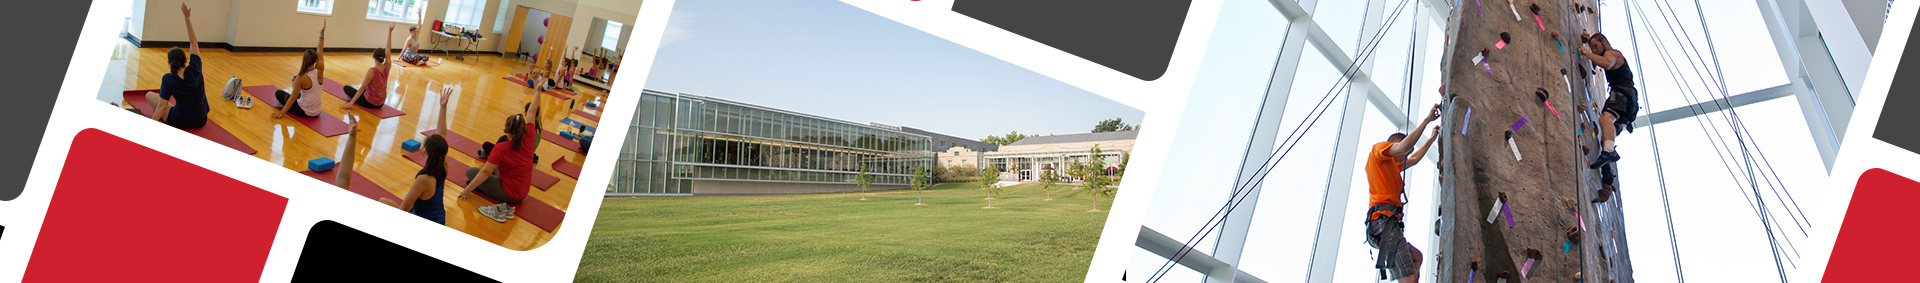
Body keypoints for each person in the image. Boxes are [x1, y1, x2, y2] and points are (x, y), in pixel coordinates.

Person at [1363, 104, 1441, 283]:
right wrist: (1427, 120)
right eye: (1404, 153)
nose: (1405, 158)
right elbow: (1403, 148)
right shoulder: (1379, 151)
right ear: (1396, 144)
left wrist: (1431, 139)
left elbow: (1414, 158)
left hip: (1389, 224)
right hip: (1382, 223)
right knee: (1411, 279)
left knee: (1417, 258)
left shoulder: (1393, 166)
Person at [458, 80, 547, 223]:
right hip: (523, 190)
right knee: (493, 168)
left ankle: (482, 186)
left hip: (511, 195)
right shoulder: (529, 135)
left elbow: (485, 172)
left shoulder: (501, 148)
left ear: (507, 131)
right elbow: (532, 111)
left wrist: (467, 190)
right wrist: (537, 91)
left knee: (471, 172)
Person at [369, 85, 458, 225]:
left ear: (427, 152)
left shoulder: (424, 179)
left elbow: (403, 210)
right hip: (440, 220)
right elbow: (441, 134)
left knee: (382, 202)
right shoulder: (443, 165)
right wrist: (442, 107)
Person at [1579, 31, 1634, 202]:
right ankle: (1607, 184)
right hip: (1629, 106)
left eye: (1596, 46)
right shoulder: (1606, 51)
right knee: (1606, 136)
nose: (1595, 50)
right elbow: (1599, 51)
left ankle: (1610, 152)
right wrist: (1589, 41)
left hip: (1622, 93)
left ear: (1604, 41)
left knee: (1605, 119)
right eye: (1593, 48)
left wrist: (1586, 53)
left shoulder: (1613, 54)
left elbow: (1607, 63)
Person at [145, 3, 209, 130]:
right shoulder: (196, 69)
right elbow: (193, 41)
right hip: (201, 120)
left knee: (149, 96)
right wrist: (187, 17)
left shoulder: (168, 79)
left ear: (169, 63)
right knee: (168, 103)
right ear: (186, 60)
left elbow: (161, 107)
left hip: (180, 122)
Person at [274, 20, 326, 119]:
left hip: (305, 112)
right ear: (315, 60)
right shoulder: (320, 70)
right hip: (317, 111)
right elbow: (320, 50)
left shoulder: (300, 78)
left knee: (279, 93)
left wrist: (281, 113)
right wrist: (322, 33)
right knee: (299, 93)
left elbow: (293, 97)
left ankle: (285, 106)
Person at [343, 25, 397, 110]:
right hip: (381, 103)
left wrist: (351, 102)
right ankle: (358, 98)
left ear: (374, 57)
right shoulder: (387, 67)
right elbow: (388, 49)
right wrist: (390, 32)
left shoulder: (372, 71)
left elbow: (362, 88)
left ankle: (353, 99)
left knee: (346, 88)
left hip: (371, 103)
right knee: (364, 91)